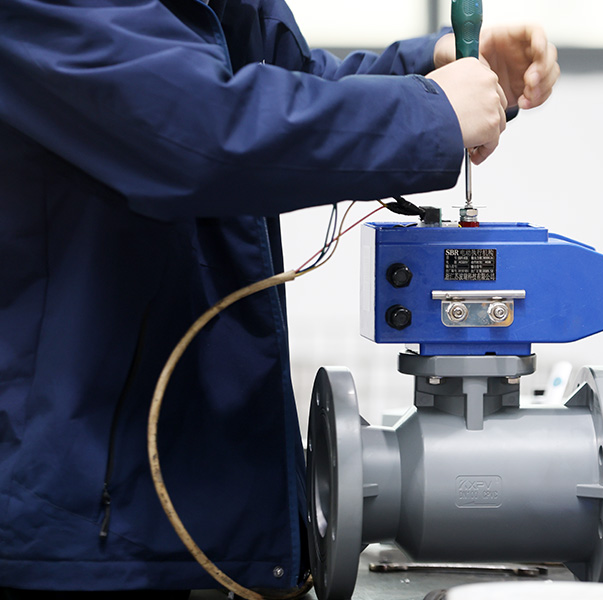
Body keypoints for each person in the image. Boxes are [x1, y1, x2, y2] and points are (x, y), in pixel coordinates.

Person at [0, 0, 559, 596]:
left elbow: (286, 82)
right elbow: (203, 128)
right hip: (78, 514)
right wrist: (429, 111)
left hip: (186, 493)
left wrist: (430, 68)